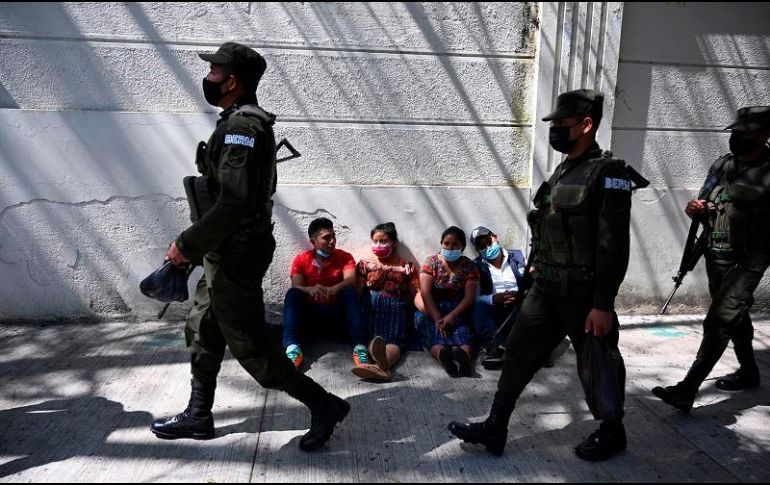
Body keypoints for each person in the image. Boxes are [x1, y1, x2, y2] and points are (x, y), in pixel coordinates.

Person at [153, 42, 349, 452]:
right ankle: (199, 414)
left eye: (215, 71)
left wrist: (185, 246)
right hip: (221, 250)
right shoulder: (235, 121)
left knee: (251, 348)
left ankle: (324, 404)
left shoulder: (244, 127)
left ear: (233, 80)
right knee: (203, 327)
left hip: (235, 253)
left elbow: (235, 202)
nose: (209, 78)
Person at [449, 89, 636, 461]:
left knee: (597, 359)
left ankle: (613, 430)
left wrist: (603, 304)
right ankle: (495, 427)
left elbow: (613, 246)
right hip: (546, 286)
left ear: (586, 124)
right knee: (518, 352)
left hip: (584, 292)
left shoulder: (608, 173)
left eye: (563, 125)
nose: (555, 132)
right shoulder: (565, 169)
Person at [653, 106, 770, 412]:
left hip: (750, 258)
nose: (739, 137)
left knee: (720, 318)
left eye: (747, 132)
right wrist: (697, 207)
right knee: (734, 315)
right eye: (737, 132)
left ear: (764, 134)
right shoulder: (723, 164)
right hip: (716, 251)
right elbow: (706, 199)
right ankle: (749, 372)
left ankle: (686, 389)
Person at [282, 217, 369, 370]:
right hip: (311, 314)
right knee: (293, 294)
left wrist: (335, 288)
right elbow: (297, 285)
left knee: (349, 291)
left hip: (337, 314)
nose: (332, 241)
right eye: (326, 238)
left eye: (333, 236)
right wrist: (310, 289)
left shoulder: (344, 257)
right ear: (313, 241)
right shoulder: (302, 259)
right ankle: (292, 349)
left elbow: (350, 280)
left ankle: (360, 347)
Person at [353, 222, 419, 382]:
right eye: (375, 241)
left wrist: (429, 312)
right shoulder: (364, 265)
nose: (378, 245)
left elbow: (416, 294)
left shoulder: (407, 267)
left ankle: (381, 366)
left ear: (394, 243)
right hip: (370, 312)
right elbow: (357, 292)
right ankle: (381, 368)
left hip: (395, 314)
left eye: (383, 241)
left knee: (393, 342)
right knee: (372, 341)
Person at [415, 226, 480, 377]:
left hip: (458, 309)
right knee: (434, 335)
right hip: (433, 309)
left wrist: (452, 316)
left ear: (462, 247)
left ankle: (463, 358)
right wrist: (437, 318)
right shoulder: (431, 262)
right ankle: (443, 357)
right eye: (446, 243)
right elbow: (425, 293)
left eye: (455, 245)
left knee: (464, 334)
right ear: (441, 243)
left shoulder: (470, 266)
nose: (450, 248)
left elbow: (469, 297)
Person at [469, 226, 527, 370]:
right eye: (481, 246)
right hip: (495, 311)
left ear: (496, 237)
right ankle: (494, 347)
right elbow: (475, 298)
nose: (487, 246)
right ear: (477, 250)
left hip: (520, 307)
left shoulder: (518, 257)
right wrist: (494, 299)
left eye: (489, 241)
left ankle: (530, 348)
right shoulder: (475, 267)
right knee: (477, 307)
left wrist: (521, 295)